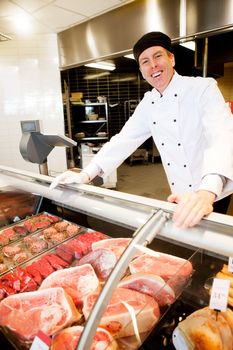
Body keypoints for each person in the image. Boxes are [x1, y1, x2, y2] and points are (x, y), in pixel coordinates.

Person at [50, 31, 233, 228]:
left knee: (216, 247)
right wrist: (85, 174)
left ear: (172, 59)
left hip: (214, 189)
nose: (153, 65)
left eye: (158, 56)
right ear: (141, 69)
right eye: (145, 61)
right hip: (180, 194)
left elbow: (222, 136)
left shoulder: (202, 88)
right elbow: (124, 140)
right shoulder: (149, 102)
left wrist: (207, 193)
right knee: (193, 247)